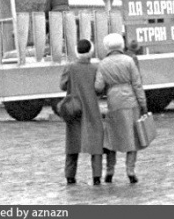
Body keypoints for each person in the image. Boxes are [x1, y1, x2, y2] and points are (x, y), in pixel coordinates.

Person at [96, 33, 148, 184]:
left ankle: (110, 170)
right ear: (121, 45)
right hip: (130, 101)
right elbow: (137, 84)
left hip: (113, 101)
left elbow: (98, 86)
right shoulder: (129, 61)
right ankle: (130, 170)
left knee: (112, 138)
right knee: (133, 136)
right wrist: (143, 104)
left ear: (107, 47)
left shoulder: (103, 63)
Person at [59, 40, 104, 185]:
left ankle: (70, 175)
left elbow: (62, 85)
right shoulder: (95, 68)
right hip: (92, 109)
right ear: (91, 51)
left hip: (74, 109)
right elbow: (99, 89)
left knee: (72, 143)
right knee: (96, 143)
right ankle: (96, 177)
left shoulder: (70, 67)